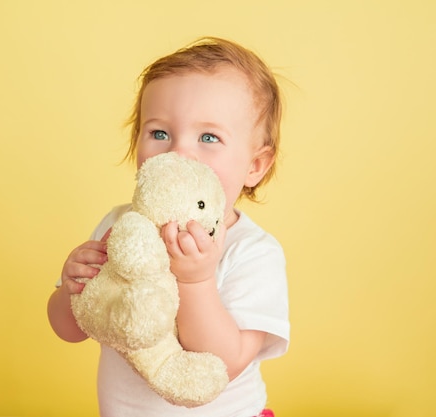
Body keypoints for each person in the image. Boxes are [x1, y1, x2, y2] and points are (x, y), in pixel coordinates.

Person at [47, 37, 290, 417]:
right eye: (159, 133)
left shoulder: (253, 252)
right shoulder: (119, 226)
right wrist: (71, 288)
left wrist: (196, 281)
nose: (179, 153)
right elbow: (71, 329)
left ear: (255, 166)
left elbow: (223, 365)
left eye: (209, 137)